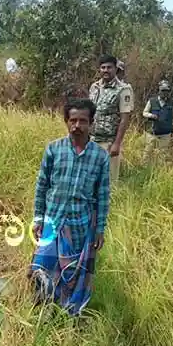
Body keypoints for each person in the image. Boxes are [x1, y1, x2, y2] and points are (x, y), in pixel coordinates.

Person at [29, 98, 111, 317]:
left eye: (82, 121)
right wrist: (38, 217)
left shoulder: (100, 156)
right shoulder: (54, 149)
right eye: (72, 120)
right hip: (52, 221)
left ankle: (69, 314)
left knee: (73, 274)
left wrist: (100, 229)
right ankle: (41, 313)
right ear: (66, 121)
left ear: (91, 123)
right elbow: (42, 185)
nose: (77, 126)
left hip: (79, 225)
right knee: (41, 268)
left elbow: (102, 196)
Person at [88, 55, 132, 181]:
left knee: (109, 181)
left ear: (115, 69)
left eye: (109, 67)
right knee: (91, 178)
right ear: (99, 69)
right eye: (103, 67)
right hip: (92, 140)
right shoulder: (94, 87)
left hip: (109, 141)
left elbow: (124, 118)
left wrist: (116, 144)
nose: (106, 70)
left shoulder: (123, 90)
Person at [141, 80, 173, 161]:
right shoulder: (152, 101)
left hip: (165, 132)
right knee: (147, 152)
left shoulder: (172, 102)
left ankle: (159, 169)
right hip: (151, 132)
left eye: (167, 91)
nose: (165, 93)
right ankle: (143, 168)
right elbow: (144, 113)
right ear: (158, 91)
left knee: (162, 153)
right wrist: (151, 115)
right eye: (163, 90)